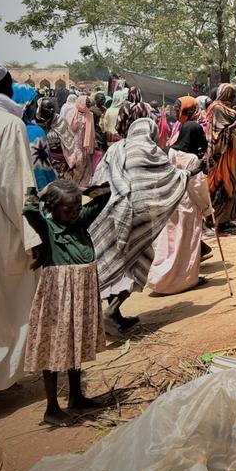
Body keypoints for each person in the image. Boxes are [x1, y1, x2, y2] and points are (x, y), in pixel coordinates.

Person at [22, 180, 110, 426]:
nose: (74, 214)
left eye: (77, 208)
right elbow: (29, 210)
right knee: (54, 348)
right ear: (52, 208)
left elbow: (104, 195)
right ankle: (51, 408)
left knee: (75, 342)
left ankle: (76, 396)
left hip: (81, 296)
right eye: (67, 210)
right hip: (58, 299)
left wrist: (80, 191)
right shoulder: (47, 229)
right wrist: (41, 194)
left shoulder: (81, 222)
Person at [90, 118, 189, 333]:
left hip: (111, 212)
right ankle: (112, 311)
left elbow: (98, 178)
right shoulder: (151, 151)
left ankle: (113, 315)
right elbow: (169, 178)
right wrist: (189, 173)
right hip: (137, 217)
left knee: (113, 260)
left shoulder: (115, 148)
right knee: (137, 263)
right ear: (151, 132)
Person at [0, 62, 41, 393]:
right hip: (0, 229)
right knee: (7, 300)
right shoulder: (8, 125)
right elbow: (19, 187)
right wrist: (34, 235)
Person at [147, 132, 214, 295]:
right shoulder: (192, 159)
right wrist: (207, 210)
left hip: (168, 202)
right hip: (186, 204)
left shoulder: (167, 152)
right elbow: (196, 187)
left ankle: (160, 278)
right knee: (186, 243)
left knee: (169, 243)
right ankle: (184, 280)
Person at [206, 84, 236, 233]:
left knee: (231, 184)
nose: (234, 97)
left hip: (230, 152)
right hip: (220, 154)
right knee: (220, 184)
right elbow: (217, 134)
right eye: (232, 94)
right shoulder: (217, 108)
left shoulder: (226, 108)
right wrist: (234, 125)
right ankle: (215, 220)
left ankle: (225, 219)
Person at [62, 95, 97, 190]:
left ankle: (80, 183)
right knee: (76, 161)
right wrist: (74, 125)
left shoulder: (90, 114)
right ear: (81, 103)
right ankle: (72, 182)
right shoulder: (71, 113)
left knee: (83, 161)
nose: (89, 105)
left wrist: (91, 142)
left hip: (84, 142)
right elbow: (66, 129)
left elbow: (91, 131)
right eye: (87, 103)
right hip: (73, 141)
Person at [27, 98, 59, 190]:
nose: (51, 110)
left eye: (53, 107)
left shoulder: (59, 120)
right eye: (47, 107)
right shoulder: (35, 129)